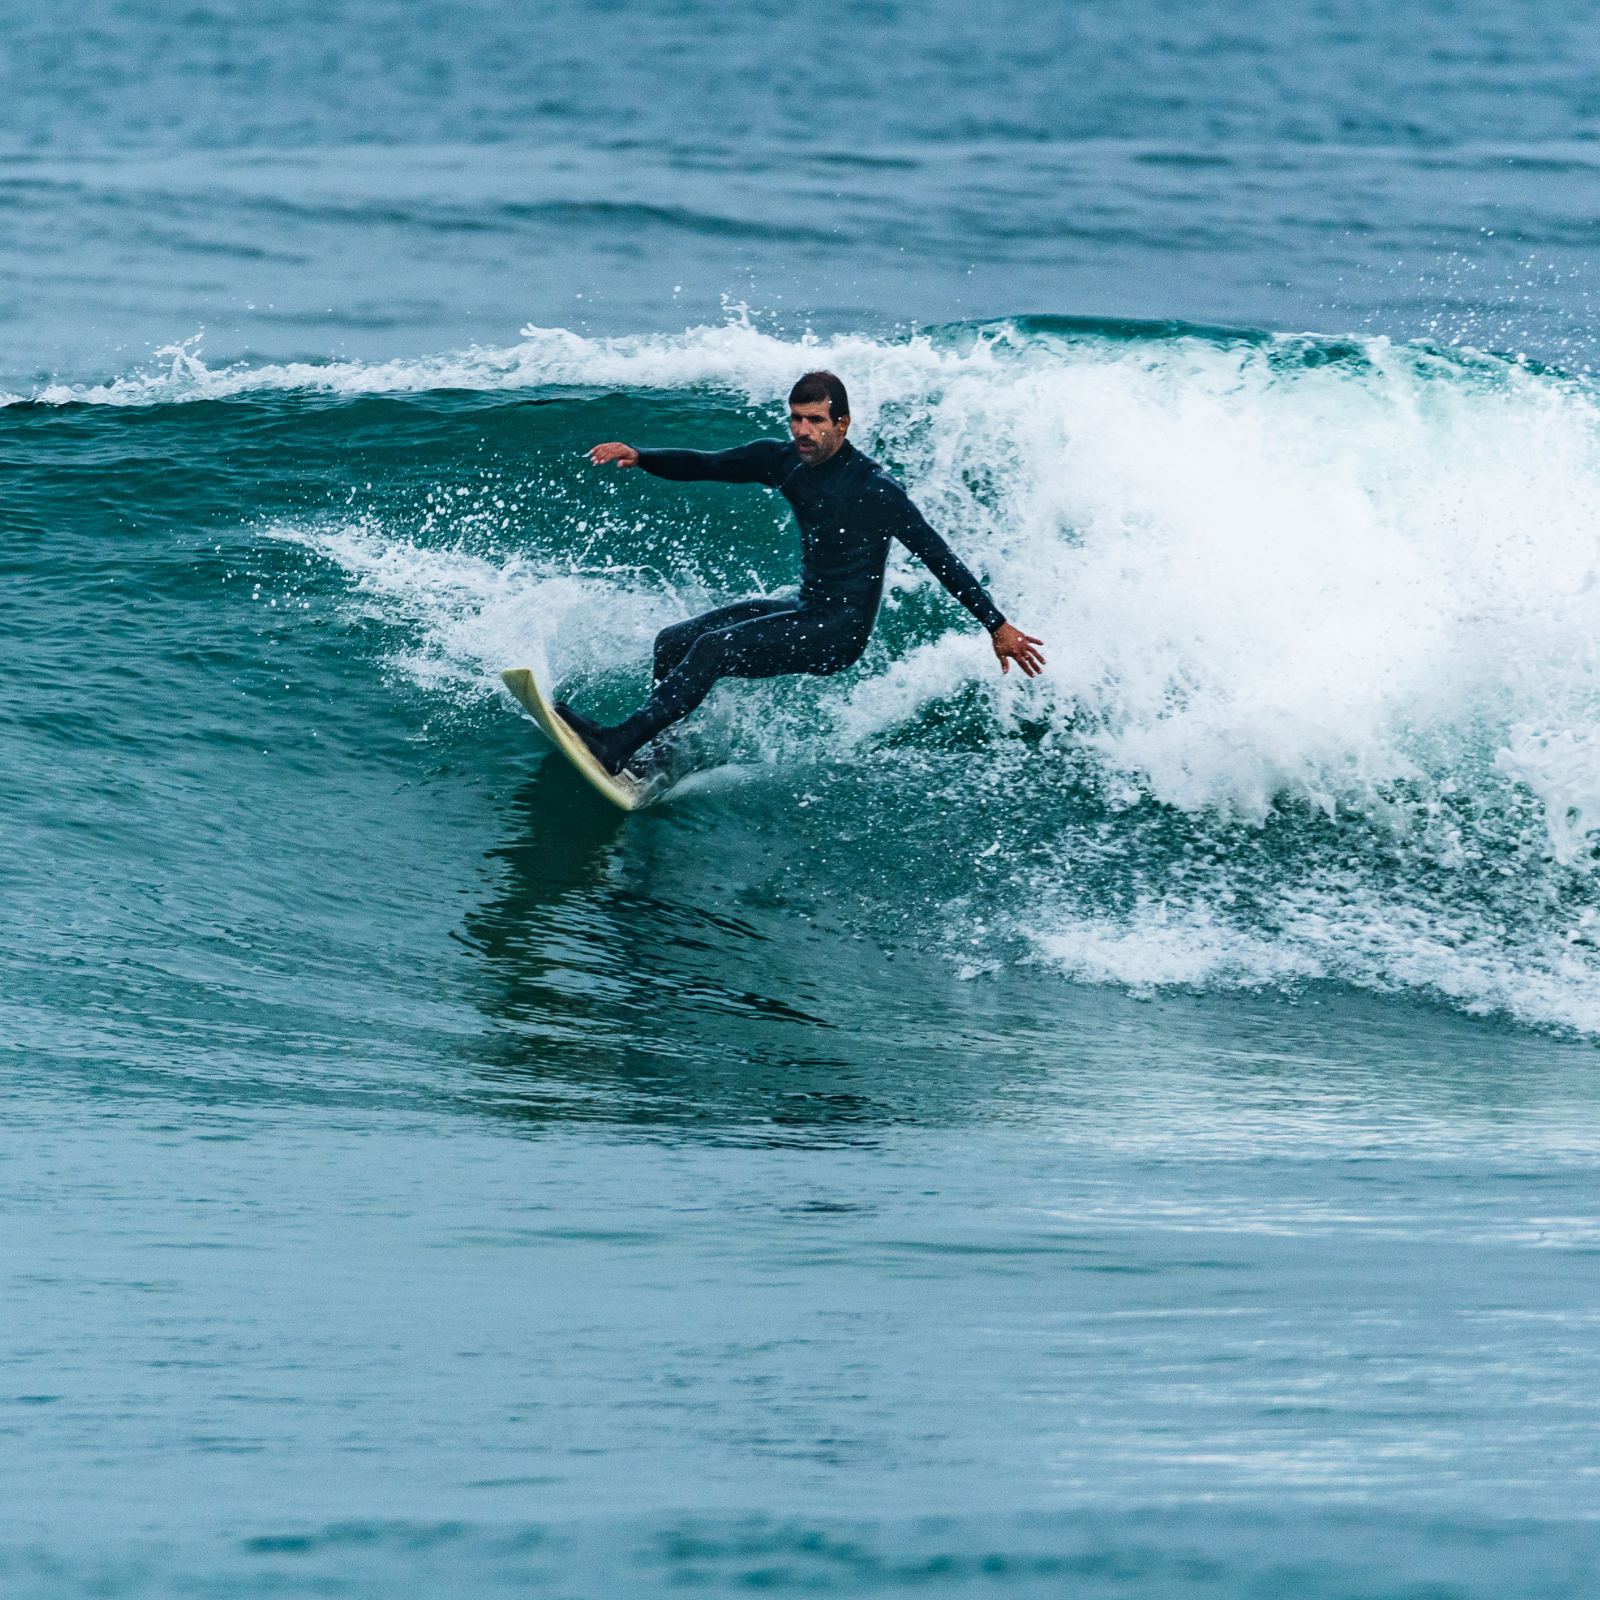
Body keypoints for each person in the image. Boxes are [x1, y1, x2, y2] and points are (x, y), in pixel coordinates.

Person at [559, 369, 1045, 775]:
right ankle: (659, 756)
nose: (803, 431)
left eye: (815, 420)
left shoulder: (875, 489)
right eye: (796, 419)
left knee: (713, 647)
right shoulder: (783, 460)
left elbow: (938, 556)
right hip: (807, 608)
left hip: (840, 631)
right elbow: (708, 463)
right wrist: (643, 457)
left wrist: (996, 625)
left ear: (843, 423)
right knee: (673, 641)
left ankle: (618, 742)